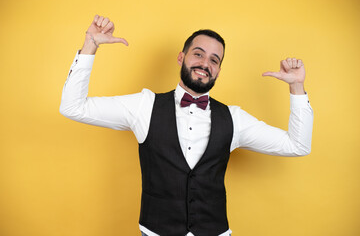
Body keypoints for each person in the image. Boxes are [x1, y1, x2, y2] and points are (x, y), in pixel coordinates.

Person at [60, 15, 313, 236]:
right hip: (156, 231)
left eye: (214, 60)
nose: (205, 64)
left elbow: (297, 145)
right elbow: (73, 107)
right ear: (181, 57)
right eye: (198, 54)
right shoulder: (144, 106)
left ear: (219, 71)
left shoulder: (234, 118)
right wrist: (90, 44)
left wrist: (296, 87)